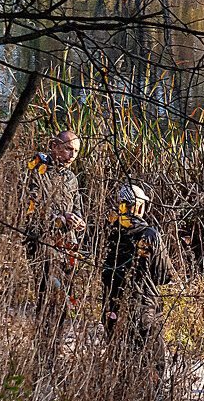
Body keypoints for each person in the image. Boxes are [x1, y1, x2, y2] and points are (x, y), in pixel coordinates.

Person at [100, 184, 176, 382]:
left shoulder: (107, 232)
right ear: (139, 206)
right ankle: (153, 400)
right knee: (155, 360)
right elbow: (163, 276)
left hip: (111, 303)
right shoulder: (150, 235)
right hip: (145, 307)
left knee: (119, 357)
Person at [24, 130, 87, 353]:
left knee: (64, 301)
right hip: (44, 245)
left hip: (68, 247)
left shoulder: (70, 177)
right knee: (48, 297)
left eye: (76, 151)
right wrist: (57, 220)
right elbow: (28, 209)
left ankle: (55, 346)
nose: (72, 155)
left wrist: (79, 220)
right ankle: (44, 350)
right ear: (54, 146)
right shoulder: (37, 171)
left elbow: (77, 206)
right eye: (68, 148)